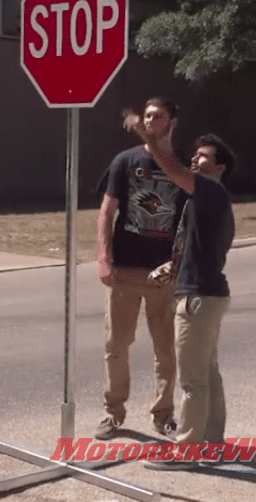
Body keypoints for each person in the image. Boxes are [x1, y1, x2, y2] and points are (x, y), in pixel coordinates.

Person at [124, 114, 236, 471]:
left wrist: (150, 136)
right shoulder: (208, 201)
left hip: (200, 298)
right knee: (208, 373)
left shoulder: (209, 190)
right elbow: (199, 248)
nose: (195, 159)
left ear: (218, 167)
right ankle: (212, 443)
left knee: (192, 381)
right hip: (210, 294)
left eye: (203, 156)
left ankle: (187, 451)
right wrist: (171, 268)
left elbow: (170, 165)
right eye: (196, 154)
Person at [94, 98, 187, 441]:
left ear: (171, 121)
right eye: (146, 116)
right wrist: (103, 257)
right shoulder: (125, 161)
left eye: (158, 116)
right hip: (125, 269)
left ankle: (163, 414)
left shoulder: (181, 167)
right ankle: (113, 412)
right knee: (116, 344)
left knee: (166, 347)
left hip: (165, 273)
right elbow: (106, 212)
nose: (150, 121)